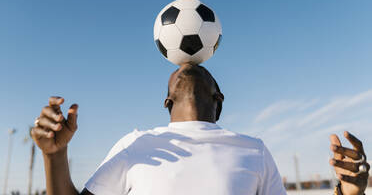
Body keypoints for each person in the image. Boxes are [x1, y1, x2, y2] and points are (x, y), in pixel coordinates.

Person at [31, 63, 370, 195]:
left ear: (218, 99)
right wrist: (55, 156)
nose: (187, 63)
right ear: (167, 102)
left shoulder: (254, 149)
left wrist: (350, 194)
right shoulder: (136, 144)